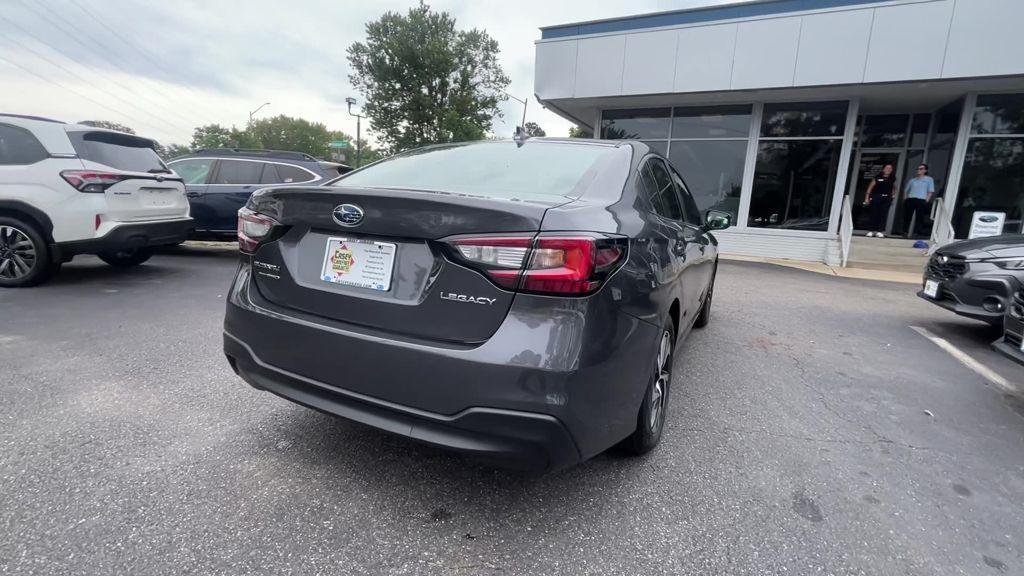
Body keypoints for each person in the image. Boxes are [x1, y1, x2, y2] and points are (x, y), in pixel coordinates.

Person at [903, 163, 935, 238]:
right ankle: (905, 232)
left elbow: (930, 191)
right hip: (911, 199)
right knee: (907, 217)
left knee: (919, 217)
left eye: (921, 169)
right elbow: (905, 191)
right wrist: (905, 199)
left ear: (925, 170)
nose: (918, 170)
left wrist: (926, 200)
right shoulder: (912, 180)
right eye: (918, 169)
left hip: (921, 200)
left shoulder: (929, 179)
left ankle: (916, 233)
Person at [863, 164, 895, 238]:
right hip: (876, 197)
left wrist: (893, 196)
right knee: (874, 213)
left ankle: (880, 231)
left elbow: (893, 188)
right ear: (883, 169)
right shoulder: (877, 177)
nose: (889, 169)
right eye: (887, 168)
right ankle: (871, 230)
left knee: (883, 214)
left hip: (887, 198)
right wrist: (867, 198)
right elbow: (870, 187)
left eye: (890, 168)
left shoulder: (892, 178)